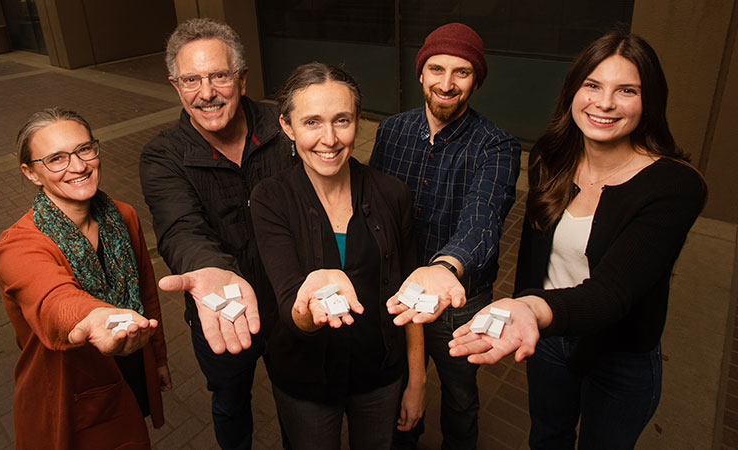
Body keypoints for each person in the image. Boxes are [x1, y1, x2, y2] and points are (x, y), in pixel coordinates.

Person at [448, 32, 708, 449]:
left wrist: (530, 308)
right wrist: (526, 307)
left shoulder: (673, 186)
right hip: (550, 340)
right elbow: (535, 258)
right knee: (548, 437)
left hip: (619, 354)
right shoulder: (550, 159)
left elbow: (612, 294)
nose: (604, 103)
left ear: (650, 101)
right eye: (592, 85)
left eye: (626, 90)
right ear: (573, 91)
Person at [249, 62, 426, 450]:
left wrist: (417, 380)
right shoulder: (270, 198)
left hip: (380, 376)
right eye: (312, 122)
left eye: (342, 120)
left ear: (358, 121)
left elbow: (410, 293)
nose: (329, 139)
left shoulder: (392, 194)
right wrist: (307, 307)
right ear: (287, 126)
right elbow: (288, 311)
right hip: (305, 382)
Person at [140, 18, 294, 450]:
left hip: (289, 305)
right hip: (220, 315)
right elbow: (178, 227)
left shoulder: (284, 128)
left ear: (242, 79)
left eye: (219, 76)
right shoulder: (162, 155)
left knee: (298, 402)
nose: (206, 92)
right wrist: (209, 270)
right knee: (229, 403)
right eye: (191, 79)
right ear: (176, 86)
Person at [368, 23, 521, 449]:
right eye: (436, 69)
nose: (447, 84)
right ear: (420, 73)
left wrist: (443, 267)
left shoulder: (497, 146)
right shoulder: (391, 131)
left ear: (477, 80)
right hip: (396, 289)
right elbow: (373, 206)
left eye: (462, 72)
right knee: (396, 383)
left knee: (459, 396)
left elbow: (482, 220)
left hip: (459, 301)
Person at [0, 108, 171, 450]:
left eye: (85, 149)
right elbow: (52, 298)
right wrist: (92, 316)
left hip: (130, 367)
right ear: (31, 173)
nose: (79, 166)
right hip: (71, 390)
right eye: (56, 158)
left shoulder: (123, 216)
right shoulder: (18, 245)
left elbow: (146, 291)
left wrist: (157, 359)